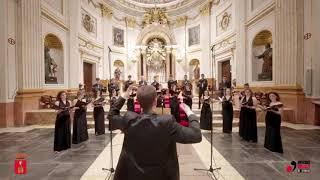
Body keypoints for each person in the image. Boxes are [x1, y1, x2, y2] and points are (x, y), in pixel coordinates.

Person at [108, 85, 202, 180]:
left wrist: (125, 95)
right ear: (155, 101)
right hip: (162, 175)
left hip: (134, 175)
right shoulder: (167, 122)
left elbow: (112, 115)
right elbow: (196, 135)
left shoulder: (129, 120)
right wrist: (189, 112)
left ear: (138, 101)